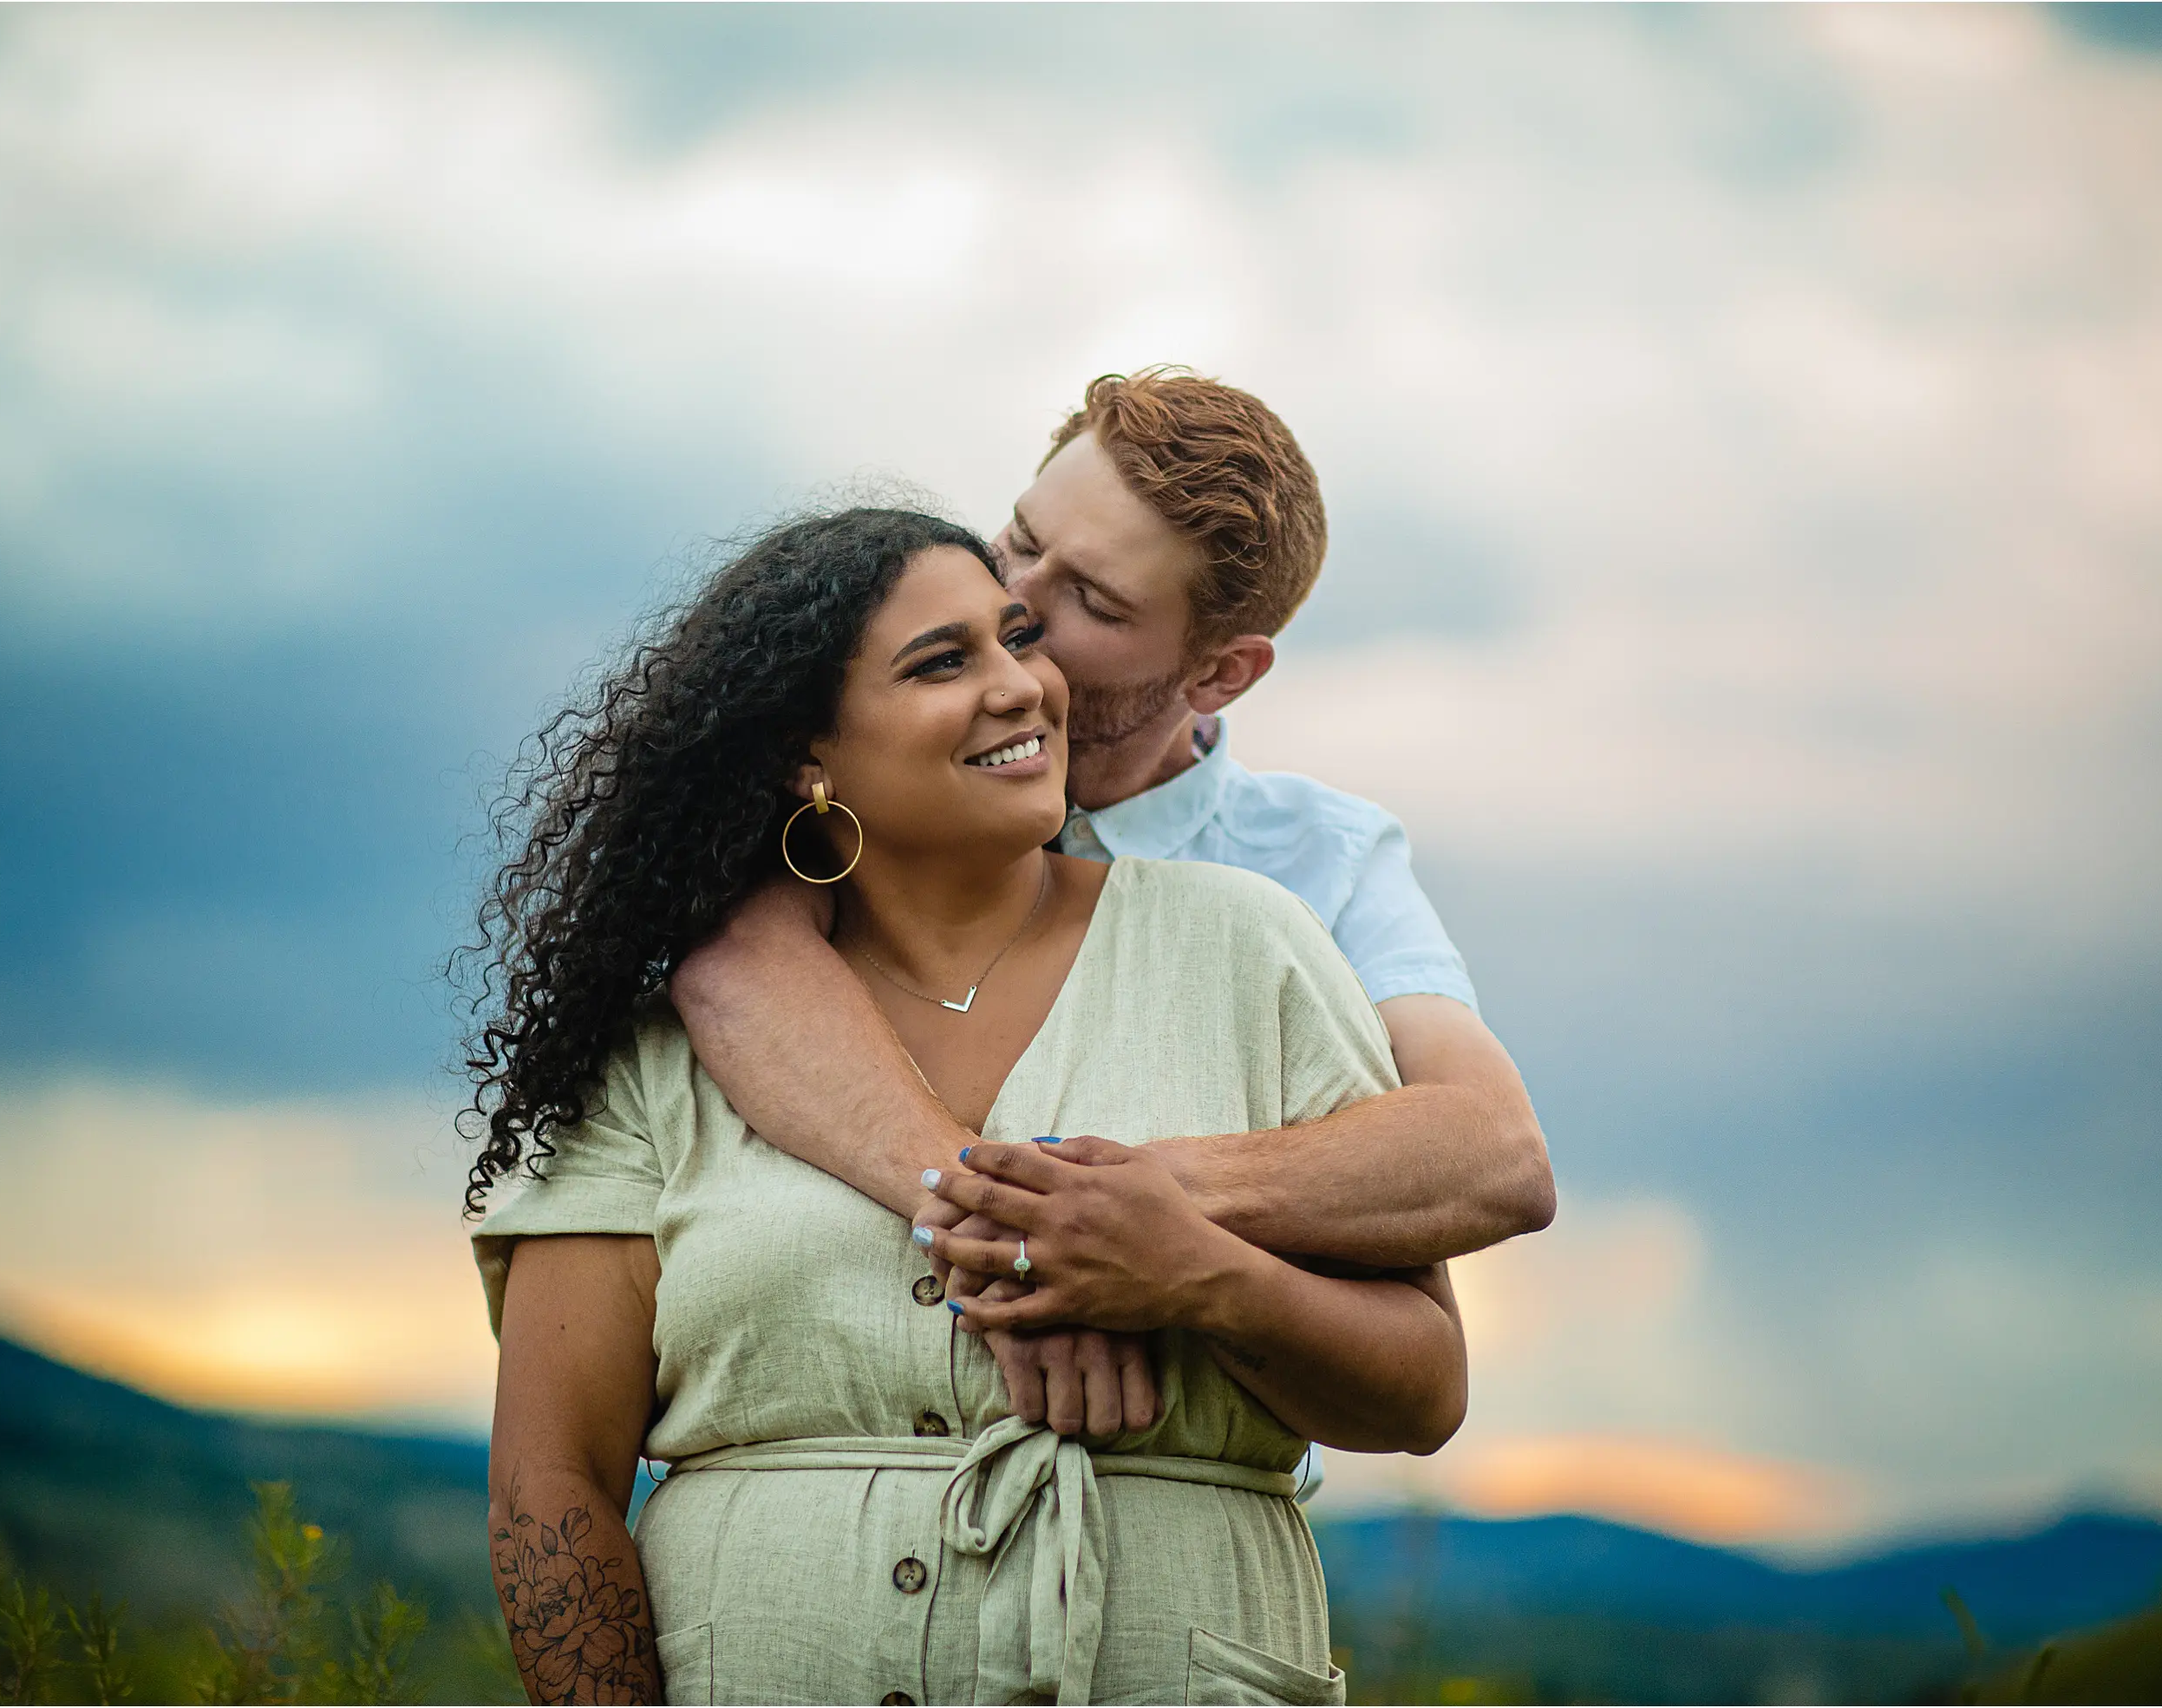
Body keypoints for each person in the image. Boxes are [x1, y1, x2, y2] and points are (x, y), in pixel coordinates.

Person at [471, 509, 1468, 1705]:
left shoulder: (1246, 946)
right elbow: (553, 1481)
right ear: (808, 756)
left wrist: (1196, 1273)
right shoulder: (667, 1043)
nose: (1022, 687)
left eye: (1014, 640)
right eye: (943, 663)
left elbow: (1423, 1386)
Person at [670, 369, 1553, 1434]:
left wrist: (1128, 1217)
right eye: (1021, 539)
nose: (1016, 606)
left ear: (1221, 672)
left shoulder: (1317, 860)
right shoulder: (875, 766)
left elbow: (1492, 1149)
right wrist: (1006, 1229)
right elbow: (732, 951)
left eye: (1092, 601)